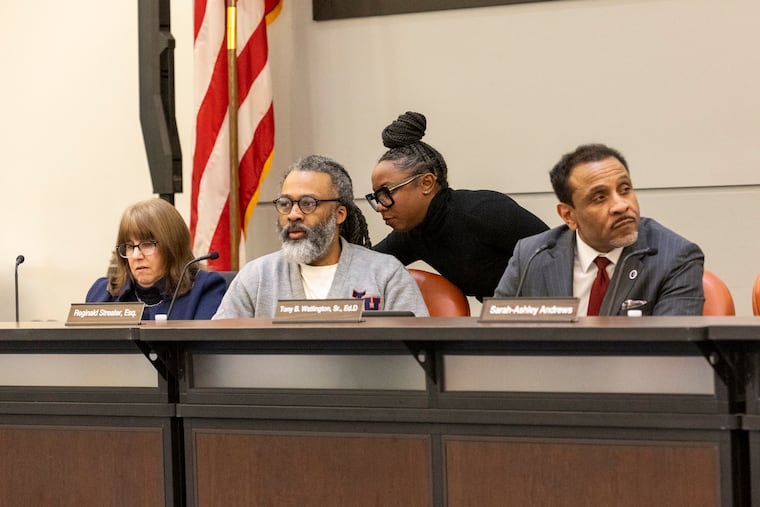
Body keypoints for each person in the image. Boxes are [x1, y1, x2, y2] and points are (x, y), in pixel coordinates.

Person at [494, 143, 704, 316]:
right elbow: (495, 338)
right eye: (600, 198)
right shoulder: (532, 255)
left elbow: (671, 353)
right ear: (569, 215)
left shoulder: (675, 257)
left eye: (625, 190)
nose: (621, 206)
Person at [213, 155, 429, 318]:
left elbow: (417, 357)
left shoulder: (386, 274)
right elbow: (217, 353)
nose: (293, 215)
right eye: (285, 204)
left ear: (339, 214)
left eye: (308, 203)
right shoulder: (256, 277)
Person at [366, 111, 548, 301]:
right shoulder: (414, 233)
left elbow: (560, 256)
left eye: (386, 193)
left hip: (556, 315)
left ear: (426, 183)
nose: (380, 206)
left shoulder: (485, 211)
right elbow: (365, 266)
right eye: (376, 197)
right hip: (502, 322)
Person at [86, 198, 226, 320]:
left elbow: (202, 349)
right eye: (129, 246)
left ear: (172, 246)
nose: (136, 256)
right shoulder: (102, 292)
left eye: (147, 245)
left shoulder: (204, 288)